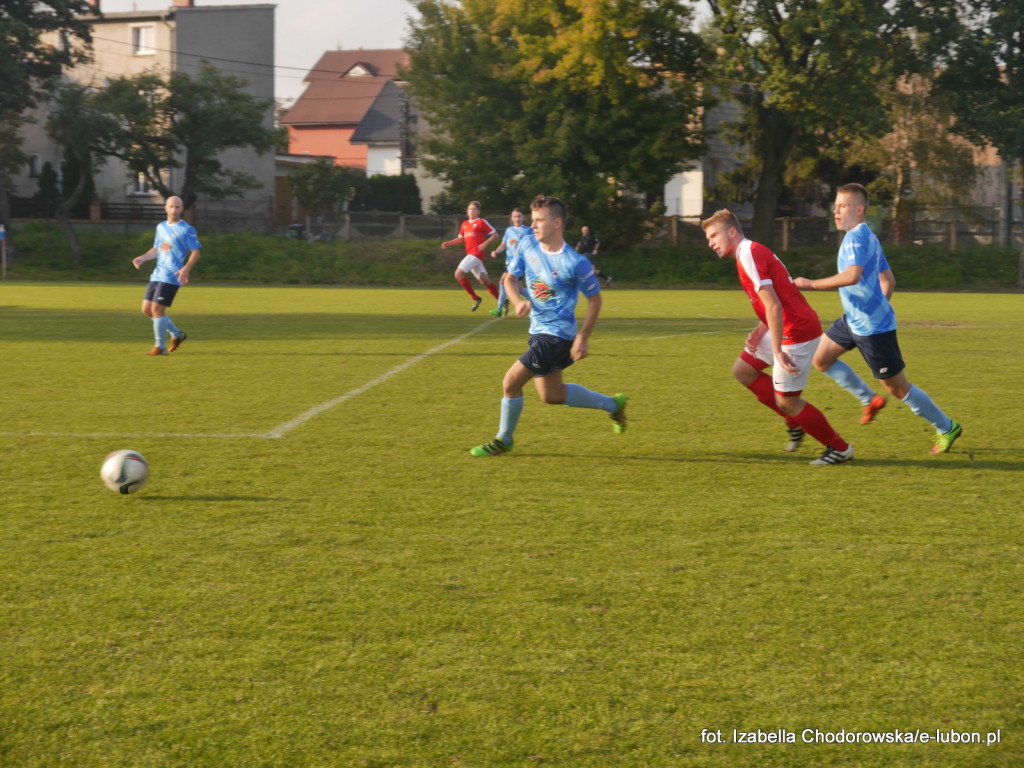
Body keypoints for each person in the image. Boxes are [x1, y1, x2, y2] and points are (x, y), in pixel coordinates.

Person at [794, 183, 962, 454]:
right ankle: (868, 399)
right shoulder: (866, 236)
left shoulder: (858, 238)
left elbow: (852, 276)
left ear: (859, 210)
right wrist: (875, 306)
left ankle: (946, 426)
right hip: (854, 320)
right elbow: (889, 281)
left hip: (873, 329)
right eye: (835, 206)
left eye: (843, 206)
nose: (836, 211)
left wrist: (809, 283)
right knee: (821, 358)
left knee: (898, 388)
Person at [470, 195, 627, 457]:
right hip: (539, 332)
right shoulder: (527, 244)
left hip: (556, 337)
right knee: (551, 394)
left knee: (510, 383)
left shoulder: (575, 262)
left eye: (539, 220)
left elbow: (595, 300)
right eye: (532, 220)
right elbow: (509, 279)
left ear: (557, 224)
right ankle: (612, 404)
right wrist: (518, 300)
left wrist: (583, 337)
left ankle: (503, 439)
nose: (533, 225)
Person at [702, 209, 854, 465]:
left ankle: (840, 448)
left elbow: (773, 305)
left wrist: (778, 349)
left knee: (787, 401)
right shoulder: (748, 252)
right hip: (784, 326)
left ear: (731, 232)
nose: (711, 243)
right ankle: (794, 423)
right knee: (744, 371)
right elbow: (778, 299)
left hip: (796, 331)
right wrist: (762, 328)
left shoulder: (748, 253)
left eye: (714, 235)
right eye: (708, 238)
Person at [132, 195, 200, 356]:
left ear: (182, 209)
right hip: (157, 274)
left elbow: (196, 253)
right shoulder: (161, 227)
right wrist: (142, 257)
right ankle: (177, 334)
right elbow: (156, 249)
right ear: (165, 208)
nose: (174, 209)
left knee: (156, 309)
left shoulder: (187, 229)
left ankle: (160, 347)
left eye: (177, 207)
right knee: (147, 310)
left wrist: (186, 268)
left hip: (172, 276)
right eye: (171, 206)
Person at [441, 200, 500, 311]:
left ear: (478, 211)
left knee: (458, 274)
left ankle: (475, 298)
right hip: (471, 255)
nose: (471, 211)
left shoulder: (481, 222)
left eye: (474, 209)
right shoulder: (465, 224)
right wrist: (448, 243)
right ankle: (502, 301)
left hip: (476, 254)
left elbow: (495, 235)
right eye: (469, 209)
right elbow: (461, 239)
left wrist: (484, 244)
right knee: (485, 281)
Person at [489, 207, 532, 317]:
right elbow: (504, 244)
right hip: (509, 262)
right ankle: (536, 301)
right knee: (519, 288)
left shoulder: (528, 230)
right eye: (515, 216)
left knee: (503, 281)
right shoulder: (509, 230)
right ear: (512, 218)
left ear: (523, 217)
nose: (517, 218)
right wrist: (496, 251)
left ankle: (499, 308)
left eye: (519, 216)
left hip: (519, 263)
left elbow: (533, 245)